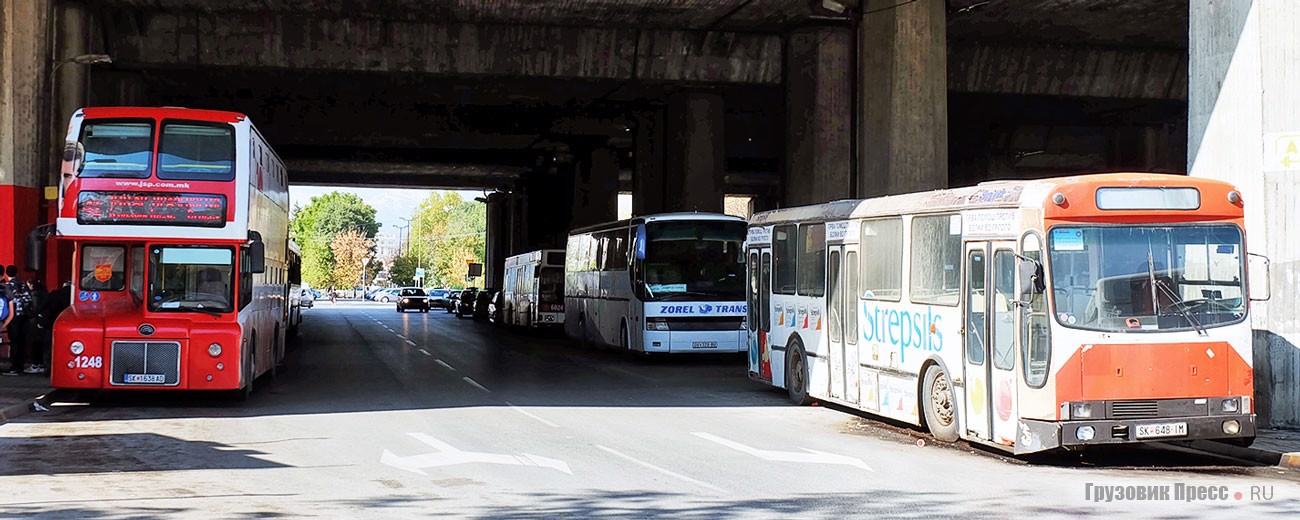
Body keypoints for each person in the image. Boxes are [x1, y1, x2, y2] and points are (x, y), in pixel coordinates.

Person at [1, 266, 31, 376]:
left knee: (14, 341)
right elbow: (28, 299)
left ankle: (14, 367)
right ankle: (20, 365)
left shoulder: (7, 287)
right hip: (24, 315)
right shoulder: (23, 284)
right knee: (22, 341)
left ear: (6, 274)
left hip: (13, 317)